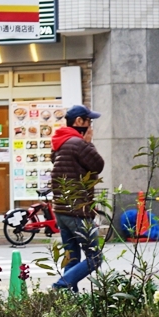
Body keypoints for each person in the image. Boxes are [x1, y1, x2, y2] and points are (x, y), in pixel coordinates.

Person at [48, 104, 106, 291]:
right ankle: (61, 285)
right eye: (88, 121)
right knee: (95, 258)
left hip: (62, 210)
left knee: (72, 256)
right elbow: (98, 165)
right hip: (77, 212)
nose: (90, 126)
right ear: (79, 121)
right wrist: (88, 143)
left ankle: (67, 300)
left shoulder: (60, 143)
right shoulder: (78, 143)